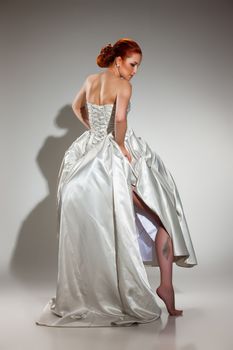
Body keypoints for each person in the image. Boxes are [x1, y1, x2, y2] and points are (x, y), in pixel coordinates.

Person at [35, 37, 198, 328]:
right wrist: (120, 147)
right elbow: (120, 119)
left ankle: (114, 290)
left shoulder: (89, 80)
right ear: (118, 60)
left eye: (138, 66)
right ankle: (165, 288)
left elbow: (77, 107)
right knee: (164, 218)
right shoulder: (123, 85)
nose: (135, 71)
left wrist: (94, 132)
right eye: (133, 64)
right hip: (112, 155)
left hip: (88, 153)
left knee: (115, 225)